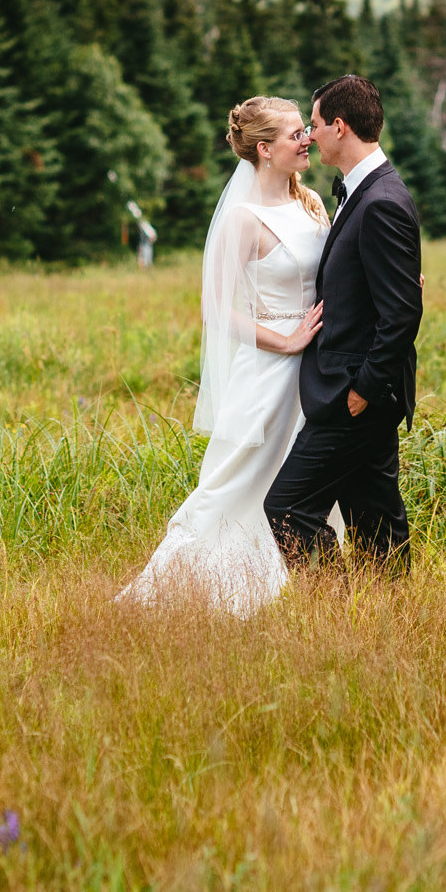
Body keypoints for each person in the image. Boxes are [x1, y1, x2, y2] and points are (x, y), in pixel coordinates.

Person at [118, 96, 330, 618]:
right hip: (268, 371)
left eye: (307, 129)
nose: (307, 139)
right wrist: (285, 342)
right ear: (264, 149)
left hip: (316, 373)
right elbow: (215, 310)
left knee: (303, 482)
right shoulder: (243, 219)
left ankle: (284, 593)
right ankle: (165, 595)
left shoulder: (312, 203)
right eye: (295, 133)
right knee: (236, 481)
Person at [264, 74, 423, 575]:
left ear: (339, 127)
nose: (308, 136)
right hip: (359, 389)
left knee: (287, 506)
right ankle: (391, 616)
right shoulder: (366, 191)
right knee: (375, 519)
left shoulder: (381, 202)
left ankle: (330, 604)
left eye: (312, 125)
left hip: (355, 393)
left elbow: (402, 314)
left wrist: (363, 391)